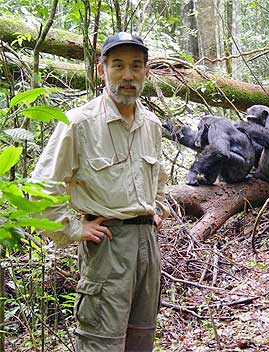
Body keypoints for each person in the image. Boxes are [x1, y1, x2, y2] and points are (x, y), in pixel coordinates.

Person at [32, 32, 170, 352]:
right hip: (107, 244)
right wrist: (73, 228)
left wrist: (158, 209)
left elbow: (160, 176)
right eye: (118, 65)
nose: (128, 75)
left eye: (136, 66)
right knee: (101, 342)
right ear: (102, 70)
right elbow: (40, 187)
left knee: (141, 337)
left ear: (147, 72)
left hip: (147, 245)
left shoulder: (151, 124)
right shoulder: (80, 122)